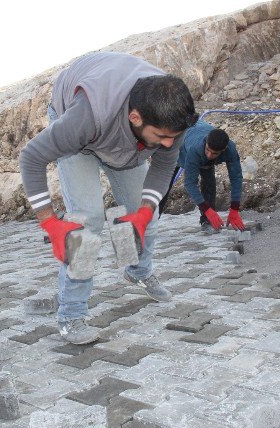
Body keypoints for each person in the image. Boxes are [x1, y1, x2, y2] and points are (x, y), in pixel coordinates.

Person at [19, 52, 197, 344]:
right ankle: (72, 315)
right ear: (135, 117)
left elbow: (165, 164)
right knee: (87, 223)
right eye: (162, 136)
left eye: (172, 137)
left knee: (144, 214)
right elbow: (31, 158)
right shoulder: (84, 118)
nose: (169, 143)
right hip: (83, 134)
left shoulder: (171, 118)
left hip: (125, 141)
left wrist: (144, 210)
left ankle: (138, 271)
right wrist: (50, 223)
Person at [161, 121, 245, 232]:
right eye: (208, 150)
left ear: (223, 150)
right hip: (175, 145)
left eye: (214, 153)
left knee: (209, 181)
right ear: (206, 143)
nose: (210, 155)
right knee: (163, 186)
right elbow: (190, 183)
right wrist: (207, 210)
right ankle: (149, 221)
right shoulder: (195, 149)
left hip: (197, 134)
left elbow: (236, 178)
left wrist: (234, 209)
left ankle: (207, 222)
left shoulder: (230, 150)